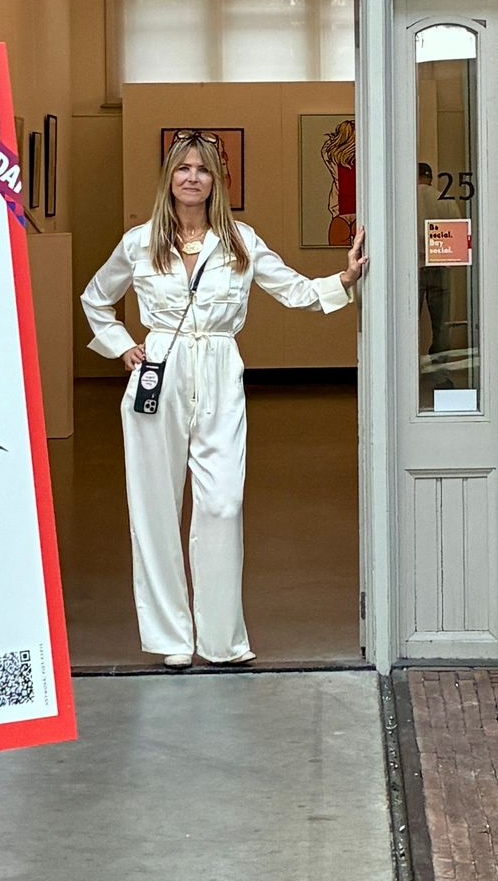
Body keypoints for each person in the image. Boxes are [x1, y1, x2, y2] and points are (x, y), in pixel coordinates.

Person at [81, 129, 368, 670]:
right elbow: (97, 298)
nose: (192, 178)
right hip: (157, 372)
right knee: (154, 507)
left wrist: (346, 278)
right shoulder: (140, 242)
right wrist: (122, 347)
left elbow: (296, 291)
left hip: (218, 367)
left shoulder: (241, 242)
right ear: (169, 177)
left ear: (218, 180)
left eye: (203, 169)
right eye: (183, 168)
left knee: (221, 503)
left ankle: (221, 640)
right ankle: (171, 640)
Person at [416, 161, 449, 363]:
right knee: (440, 324)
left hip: (415, 268)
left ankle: (409, 368)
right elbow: (458, 234)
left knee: (410, 320)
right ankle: (441, 369)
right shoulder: (444, 200)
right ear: (430, 177)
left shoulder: (405, 201)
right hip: (439, 266)